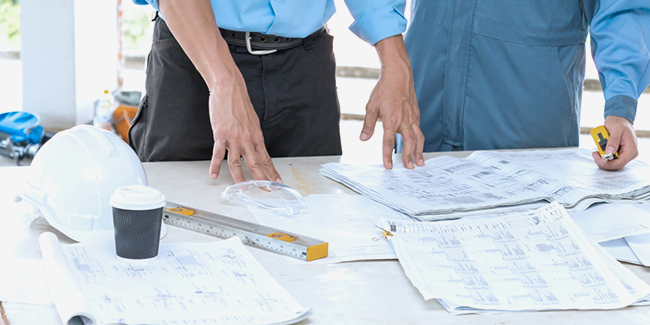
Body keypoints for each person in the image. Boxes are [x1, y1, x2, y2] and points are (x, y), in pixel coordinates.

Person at [129, 0, 425, 184]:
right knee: (181, 226)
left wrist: (395, 60)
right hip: (196, 58)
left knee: (311, 224)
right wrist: (223, 82)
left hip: (305, 64)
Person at [399, 0, 650, 171]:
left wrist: (621, 105)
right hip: (423, 107)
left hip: (527, 119)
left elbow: (622, 10)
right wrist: (389, 55)